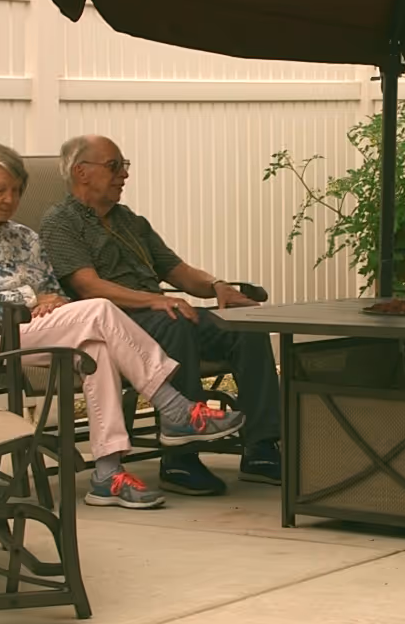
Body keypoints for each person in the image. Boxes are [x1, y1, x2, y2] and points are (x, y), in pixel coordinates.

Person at [0, 141, 246, 511]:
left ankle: (107, 475)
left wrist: (51, 301)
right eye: (0, 190)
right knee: (97, 312)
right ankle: (174, 407)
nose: (10, 198)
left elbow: (53, 293)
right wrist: (28, 301)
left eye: (15, 190)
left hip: (28, 332)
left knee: (96, 345)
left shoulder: (25, 237)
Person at [38, 135, 282, 497]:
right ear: (81, 172)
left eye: (125, 166)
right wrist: (152, 300)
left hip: (160, 313)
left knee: (244, 328)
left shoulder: (130, 222)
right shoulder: (61, 223)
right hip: (115, 327)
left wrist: (218, 286)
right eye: (114, 166)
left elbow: (178, 271)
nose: (124, 175)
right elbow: (88, 287)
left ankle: (261, 448)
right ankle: (180, 460)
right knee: (174, 322)